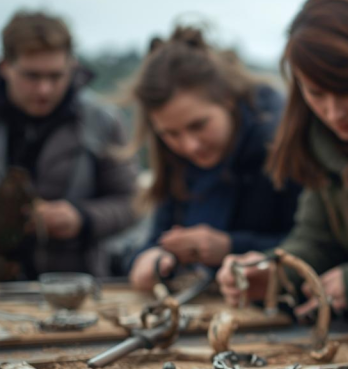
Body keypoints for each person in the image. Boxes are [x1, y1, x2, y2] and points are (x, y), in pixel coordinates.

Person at [217, 0, 348, 325]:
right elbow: (314, 242)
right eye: (316, 92)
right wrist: (273, 271)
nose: (333, 112)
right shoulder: (316, 143)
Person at [0, 10, 137, 282]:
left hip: (71, 287)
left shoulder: (101, 122)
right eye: (31, 76)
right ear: (5, 66)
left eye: (56, 76)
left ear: (72, 66)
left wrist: (82, 219)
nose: (44, 89)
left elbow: (133, 202)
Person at [125, 27, 300, 291]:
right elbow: (158, 236)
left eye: (198, 125)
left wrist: (231, 246)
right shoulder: (173, 158)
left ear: (227, 99)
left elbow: (314, 245)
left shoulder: (281, 146)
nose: (189, 146)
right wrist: (150, 259)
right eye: (170, 134)